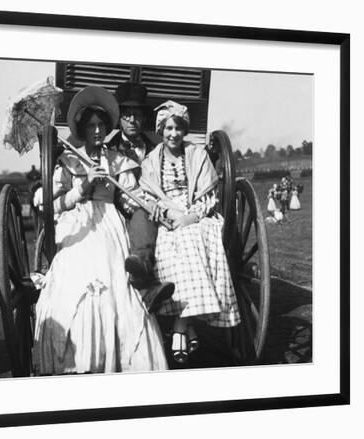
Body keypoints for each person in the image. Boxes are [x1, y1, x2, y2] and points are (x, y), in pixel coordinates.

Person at [33, 86, 168, 375]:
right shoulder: (68, 161)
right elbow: (48, 206)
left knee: (116, 278)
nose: (97, 130)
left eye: (101, 125)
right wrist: (82, 187)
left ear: (107, 128)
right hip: (78, 222)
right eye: (91, 125)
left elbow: (130, 200)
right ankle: (78, 359)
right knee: (74, 275)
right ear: (82, 128)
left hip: (108, 221)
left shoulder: (117, 160)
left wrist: (146, 206)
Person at [140, 100, 241, 364]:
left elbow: (208, 194)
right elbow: (149, 196)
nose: (173, 134)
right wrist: (167, 213)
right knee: (165, 247)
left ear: (184, 131)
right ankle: (189, 323)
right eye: (168, 128)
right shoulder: (152, 160)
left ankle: (180, 328)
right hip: (166, 216)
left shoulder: (197, 155)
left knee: (195, 236)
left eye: (178, 128)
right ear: (161, 130)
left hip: (196, 213)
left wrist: (192, 216)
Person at [108, 82, 174, 313]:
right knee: (140, 214)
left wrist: (160, 204)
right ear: (119, 119)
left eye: (137, 115)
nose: (132, 120)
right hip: (122, 210)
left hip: (157, 208)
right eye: (127, 115)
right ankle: (141, 270)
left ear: (144, 118)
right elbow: (112, 192)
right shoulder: (109, 149)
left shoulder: (158, 147)